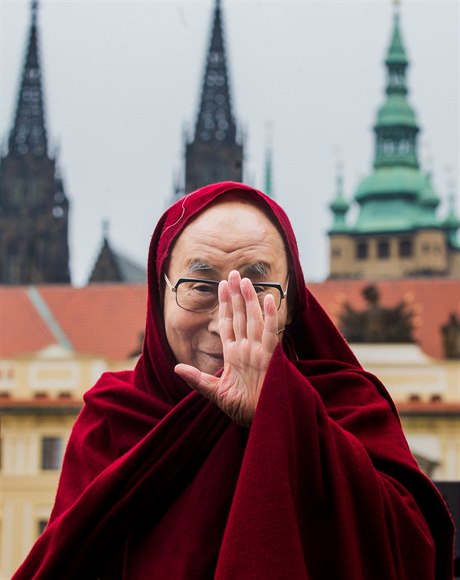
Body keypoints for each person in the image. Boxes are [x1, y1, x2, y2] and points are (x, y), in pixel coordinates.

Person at [14, 182, 453, 579]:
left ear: (294, 305)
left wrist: (283, 413)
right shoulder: (111, 419)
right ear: (158, 296)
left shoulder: (347, 403)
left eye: (257, 290)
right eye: (200, 286)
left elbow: (411, 554)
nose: (226, 319)